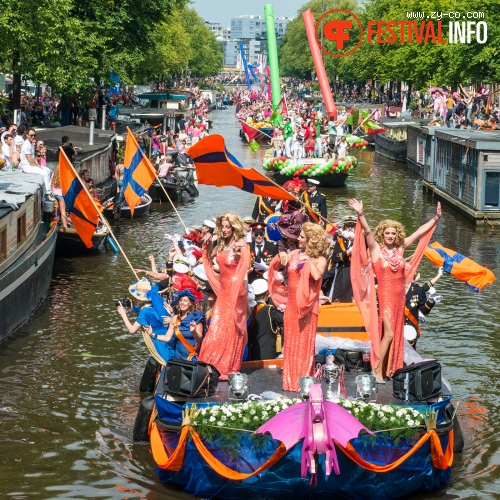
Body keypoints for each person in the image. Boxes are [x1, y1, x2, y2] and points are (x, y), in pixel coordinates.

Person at [348, 198, 442, 382]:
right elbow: (367, 231)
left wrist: (436, 219)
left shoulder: (400, 249)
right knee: (389, 333)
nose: (390, 236)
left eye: (393, 233)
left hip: (400, 298)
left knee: (394, 335)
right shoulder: (375, 250)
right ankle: (376, 370)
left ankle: (388, 368)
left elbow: (419, 233)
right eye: (387, 233)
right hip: (384, 297)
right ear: (382, 234)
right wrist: (360, 214)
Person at [268, 222, 328, 391]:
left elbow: (317, 275)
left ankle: (303, 381)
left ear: (311, 240)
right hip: (292, 304)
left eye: (302, 237)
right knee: (291, 340)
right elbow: (282, 262)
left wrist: (307, 261)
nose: (298, 239)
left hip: (308, 306)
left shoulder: (320, 259)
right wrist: (281, 256)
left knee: (304, 342)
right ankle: (290, 379)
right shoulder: (294, 252)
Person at [198, 212, 251, 379]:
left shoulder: (240, 243)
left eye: (228, 227)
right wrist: (207, 243)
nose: (225, 229)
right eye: (223, 227)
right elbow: (209, 256)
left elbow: (246, 262)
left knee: (231, 327)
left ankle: (228, 366)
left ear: (234, 228)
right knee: (216, 326)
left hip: (236, 291)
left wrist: (239, 252)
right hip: (223, 290)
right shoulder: (222, 244)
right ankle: (212, 362)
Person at [147, 290, 205, 361]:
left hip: (192, 358)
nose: (182, 303)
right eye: (180, 300)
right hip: (178, 358)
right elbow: (167, 338)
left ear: (190, 303)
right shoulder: (175, 318)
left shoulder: (196, 317)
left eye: (185, 301)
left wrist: (193, 331)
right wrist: (152, 334)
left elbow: (199, 338)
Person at [404, 268, 443, 347]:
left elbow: (424, 310)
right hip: (398, 328)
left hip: (409, 329)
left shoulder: (418, 289)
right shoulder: (392, 288)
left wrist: (431, 299)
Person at [322, 215, 357, 301]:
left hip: (356, 272)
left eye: (352, 226)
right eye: (347, 226)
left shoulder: (362, 240)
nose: (349, 228)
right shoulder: (341, 240)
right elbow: (335, 258)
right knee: (339, 297)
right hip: (343, 270)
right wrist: (348, 252)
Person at [247, 279, 283, 360]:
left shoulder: (249, 310)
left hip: (251, 353)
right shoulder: (270, 310)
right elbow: (284, 320)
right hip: (267, 354)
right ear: (267, 293)